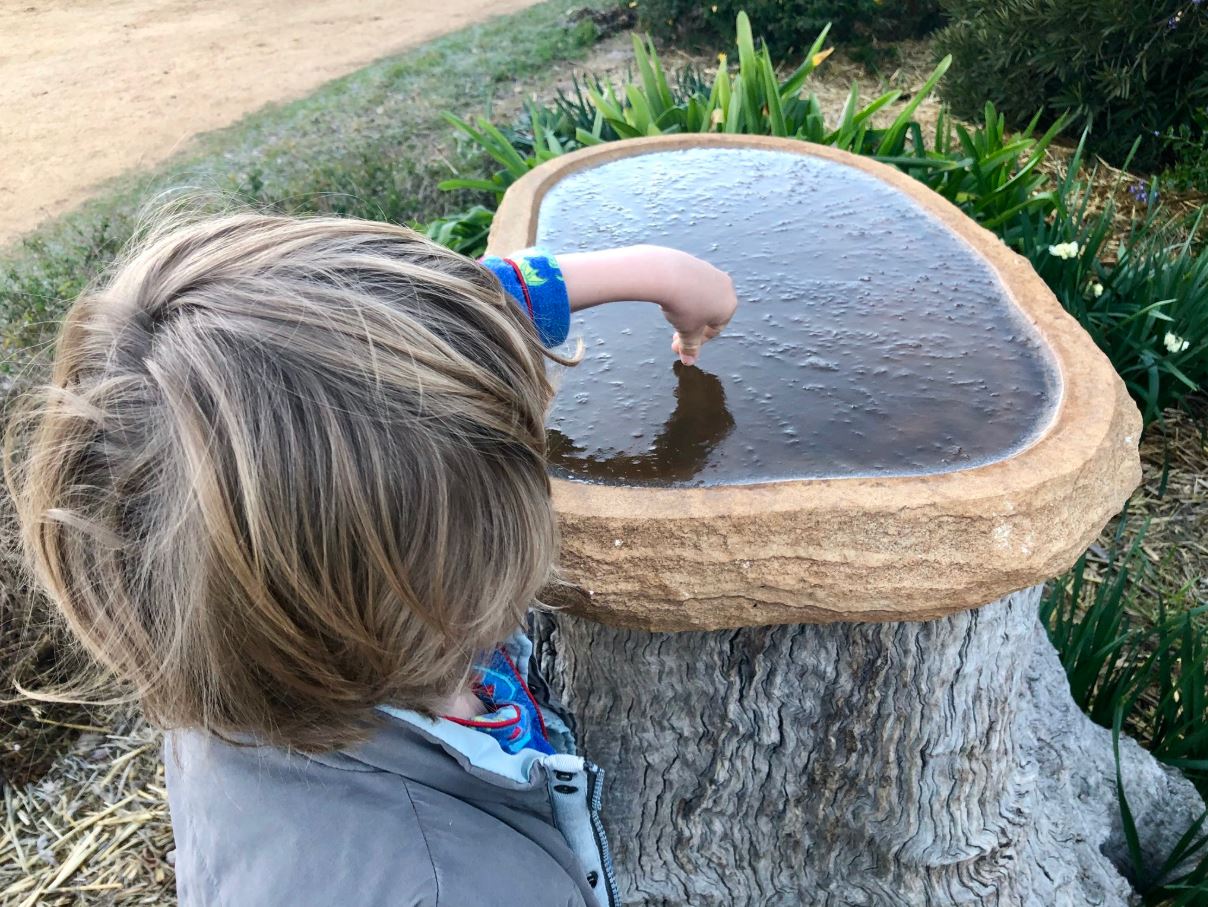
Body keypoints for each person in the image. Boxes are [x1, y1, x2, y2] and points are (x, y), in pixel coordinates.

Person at [7, 213, 737, 907]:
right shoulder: (455, 886)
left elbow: (450, 317)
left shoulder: (228, 633)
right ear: (452, 586)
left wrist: (654, 272)